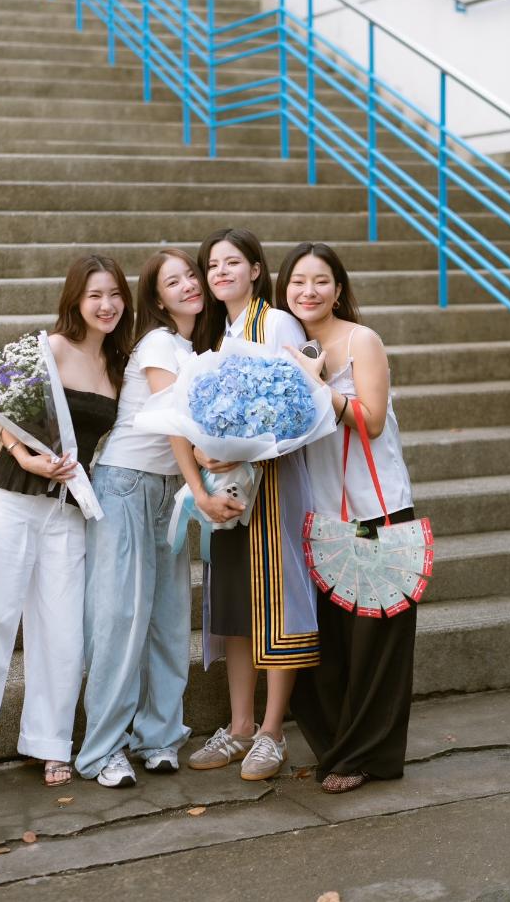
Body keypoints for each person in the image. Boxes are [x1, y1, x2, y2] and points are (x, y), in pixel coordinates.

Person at [0, 255, 133, 803]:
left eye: (115, 294)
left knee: (62, 631)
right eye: (95, 295)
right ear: (75, 299)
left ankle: (50, 743)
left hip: (68, 511)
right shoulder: (52, 347)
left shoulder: (119, 366)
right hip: (13, 501)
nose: (106, 305)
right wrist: (24, 456)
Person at [76, 249, 243, 788]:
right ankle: (103, 750)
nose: (190, 285)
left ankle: (160, 736)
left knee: (169, 617)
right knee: (120, 618)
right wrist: (202, 486)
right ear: (157, 298)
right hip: (126, 485)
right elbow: (175, 422)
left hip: (169, 488)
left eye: (192, 275)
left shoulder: (194, 349)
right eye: (174, 282)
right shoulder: (157, 343)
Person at [276, 240, 415, 793]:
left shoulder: (362, 340)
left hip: (376, 508)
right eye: (298, 282)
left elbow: (372, 420)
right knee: (328, 649)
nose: (308, 291)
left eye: (320, 281)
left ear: (338, 289)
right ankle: (339, 748)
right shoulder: (288, 345)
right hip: (321, 515)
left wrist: (315, 383)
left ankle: (364, 756)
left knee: (375, 647)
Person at [187, 227, 319, 782]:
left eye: (232, 263)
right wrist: (207, 450)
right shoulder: (220, 333)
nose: (221, 272)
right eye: (212, 265)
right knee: (236, 607)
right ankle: (240, 726)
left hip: (273, 486)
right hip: (230, 489)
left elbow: (300, 407)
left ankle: (271, 732)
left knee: (276, 602)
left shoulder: (278, 323)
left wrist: (243, 449)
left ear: (256, 270)